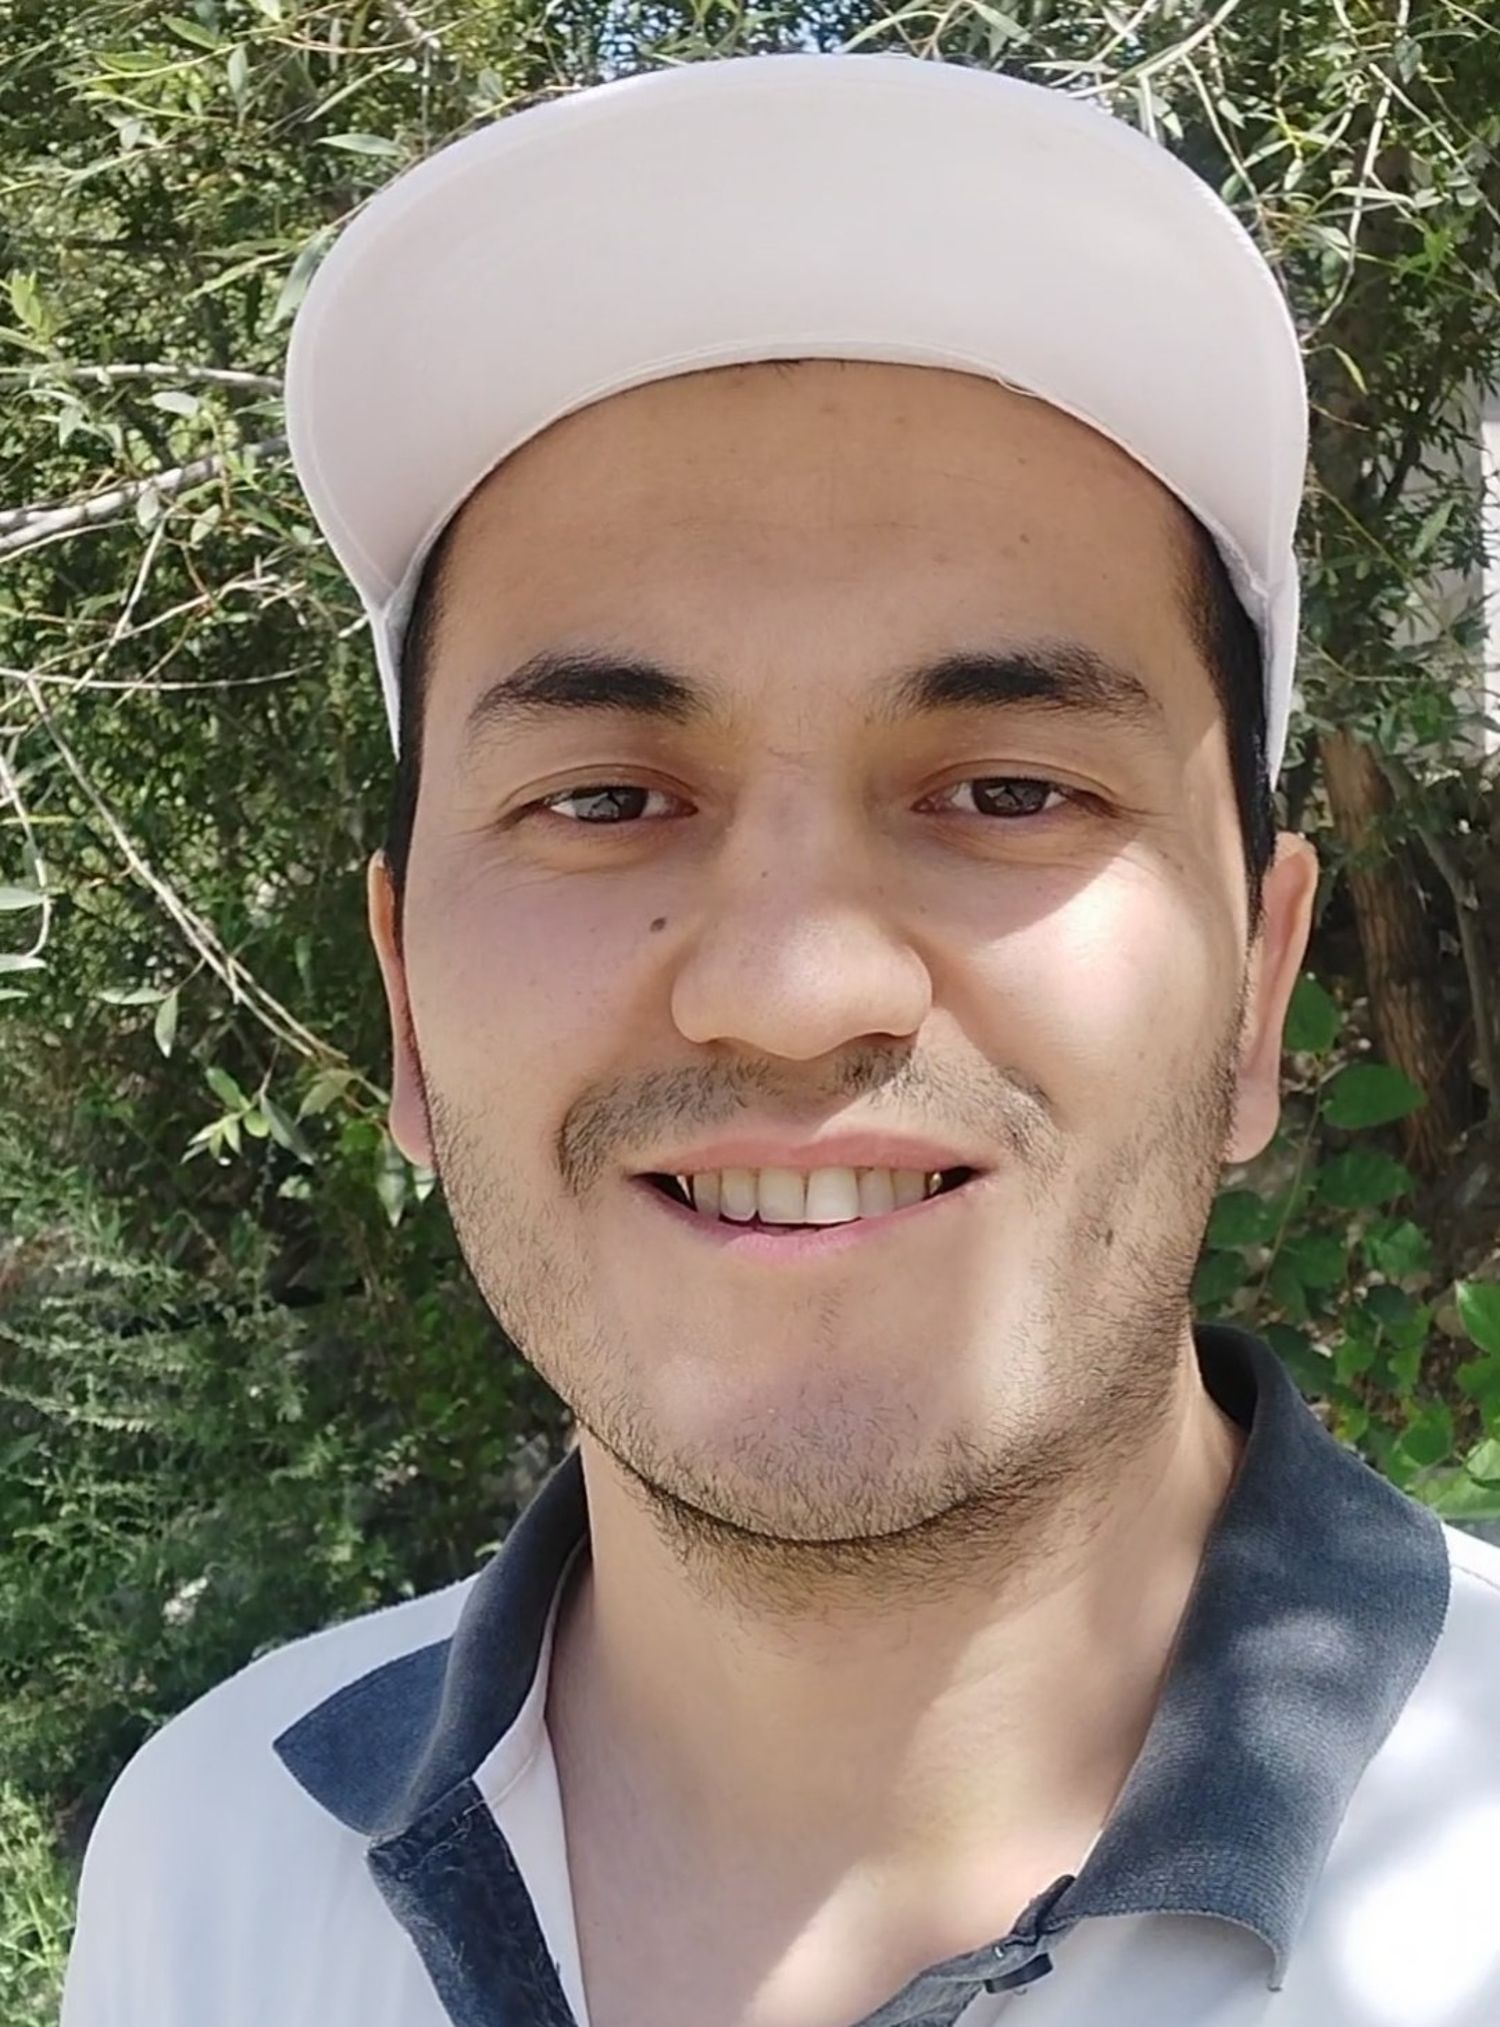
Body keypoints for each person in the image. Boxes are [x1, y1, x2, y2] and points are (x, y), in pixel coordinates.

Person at [60, 50, 1500, 2027]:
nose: (792, 986)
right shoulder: (215, 1858)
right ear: (402, 1010)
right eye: (601, 799)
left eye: (1008, 791)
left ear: (1258, 989)